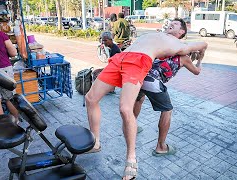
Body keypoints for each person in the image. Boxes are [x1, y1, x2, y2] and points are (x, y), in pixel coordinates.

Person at [85, 18, 207, 180]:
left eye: (176, 24)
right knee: (90, 98)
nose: (171, 24)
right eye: (170, 22)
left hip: (138, 61)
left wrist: (201, 55)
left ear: (181, 32)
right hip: (121, 58)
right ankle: (95, 142)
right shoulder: (159, 35)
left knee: (125, 109)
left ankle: (131, 159)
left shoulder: (179, 46)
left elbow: (202, 43)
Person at [134, 51, 205, 157]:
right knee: (167, 110)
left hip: (141, 77)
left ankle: (132, 126)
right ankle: (161, 147)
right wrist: (200, 59)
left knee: (139, 99)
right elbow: (197, 71)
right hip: (153, 81)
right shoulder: (185, 58)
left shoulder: (169, 51)